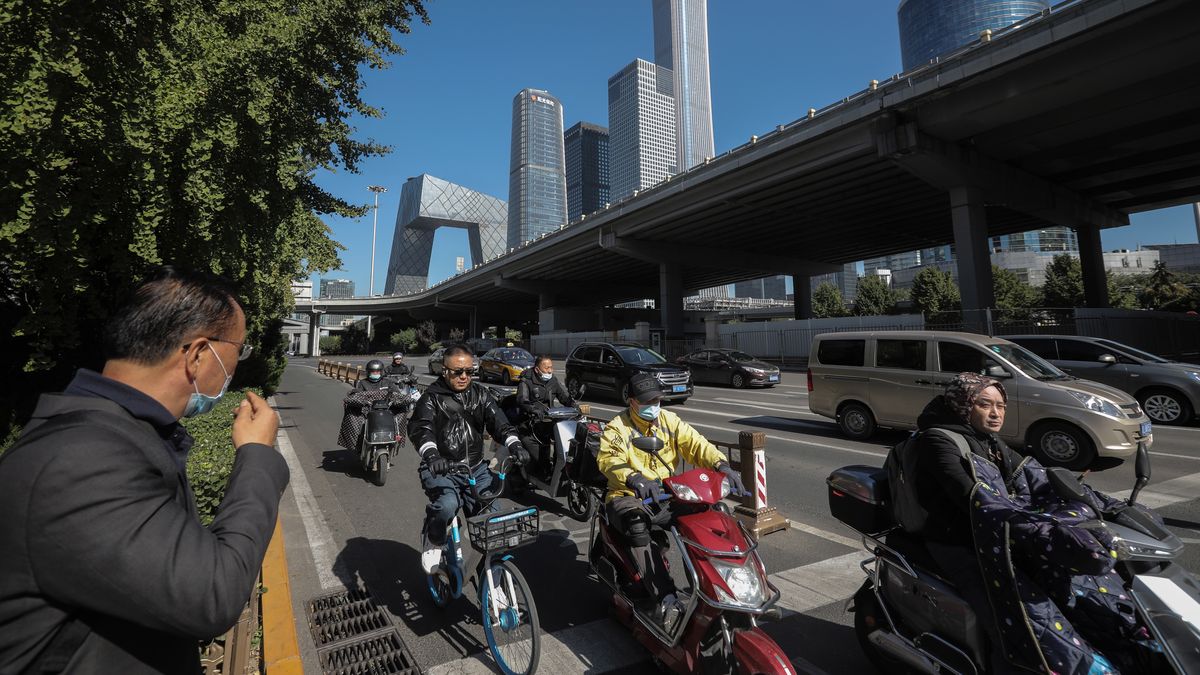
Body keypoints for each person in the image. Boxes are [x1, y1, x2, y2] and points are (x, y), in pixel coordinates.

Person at [0, 266, 289, 674]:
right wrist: (258, 454)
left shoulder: (110, 435)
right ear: (198, 354)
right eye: (238, 350)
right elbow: (212, 592)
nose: (237, 366)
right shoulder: (80, 461)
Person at [911, 372, 1148, 674]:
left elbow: (1036, 476)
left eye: (1001, 405)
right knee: (1015, 616)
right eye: (985, 404)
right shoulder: (938, 440)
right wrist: (1038, 527)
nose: (996, 413)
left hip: (1000, 532)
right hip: (959, 540)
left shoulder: (988, 439)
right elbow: (973, 498)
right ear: (963, 404)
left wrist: (1108, 506)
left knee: (1077, 588)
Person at [597, 372, 745, 631]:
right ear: (631, 401)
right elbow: (608, 460)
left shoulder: (669, 421)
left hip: (668, 493)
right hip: (628, 495)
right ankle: (666, 598)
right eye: (646, 401)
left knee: (709, 518)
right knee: (636, 525)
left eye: (657, 399)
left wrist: (722, 464)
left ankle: (719, 586)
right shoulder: (617, 428)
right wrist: (634, 478)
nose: (653, 405)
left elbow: (697, 444)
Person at [407, 343, 526, 574]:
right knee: (447, 505)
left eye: (469, 372)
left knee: (496, 528)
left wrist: (516, 445)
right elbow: (421, 429)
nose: (464, 377)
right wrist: (432, 455)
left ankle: (495, 589)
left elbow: (500, 423)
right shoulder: (431, 398)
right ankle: (434, 538)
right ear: (445, 370)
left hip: (476, 470)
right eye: (457, 372)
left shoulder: (481, 395)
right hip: (442, 469)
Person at [515, 355, 575, 470]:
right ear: (537, 369)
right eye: (546, 368)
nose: (550, 370)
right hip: (530, 425)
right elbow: (522, 400)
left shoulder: (553, 380)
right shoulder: (526, 380)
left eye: (551, 367)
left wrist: (573, 404)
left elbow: (564, 397)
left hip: (549, 421)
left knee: (565, 443)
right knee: (540, 459)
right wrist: (533, 410)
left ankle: (559, 468)